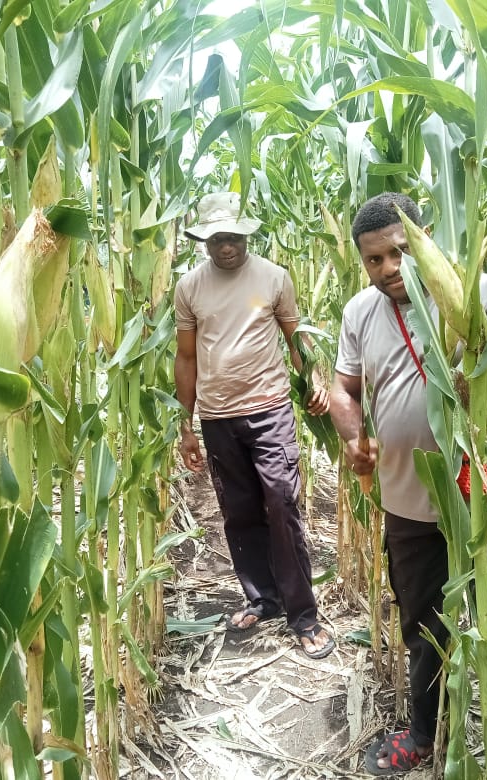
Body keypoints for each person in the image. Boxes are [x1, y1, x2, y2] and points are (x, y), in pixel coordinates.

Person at [329, 193, 487, 777]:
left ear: (424, 238)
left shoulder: (475, 292)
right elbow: (344, 390)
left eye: (400, 252)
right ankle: (425, 733)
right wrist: (354, 437)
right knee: (424, 627)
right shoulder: (360, 313)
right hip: (409, 501)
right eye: (374, 260)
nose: (389, 269)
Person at [174, 191, 336, 661]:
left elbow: (296, 337)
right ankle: (261, 599)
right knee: (239, 511)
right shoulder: (189, 288)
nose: (228, 246)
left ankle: (303, 615)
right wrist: (185, 425)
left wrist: (315, 378)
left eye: (236, 237)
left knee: (282, 505)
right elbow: (186, 358)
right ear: (205, 241)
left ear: (247, 234)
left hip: (269, 411)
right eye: (219, 238)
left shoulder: (273, 278)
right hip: (218, 418)